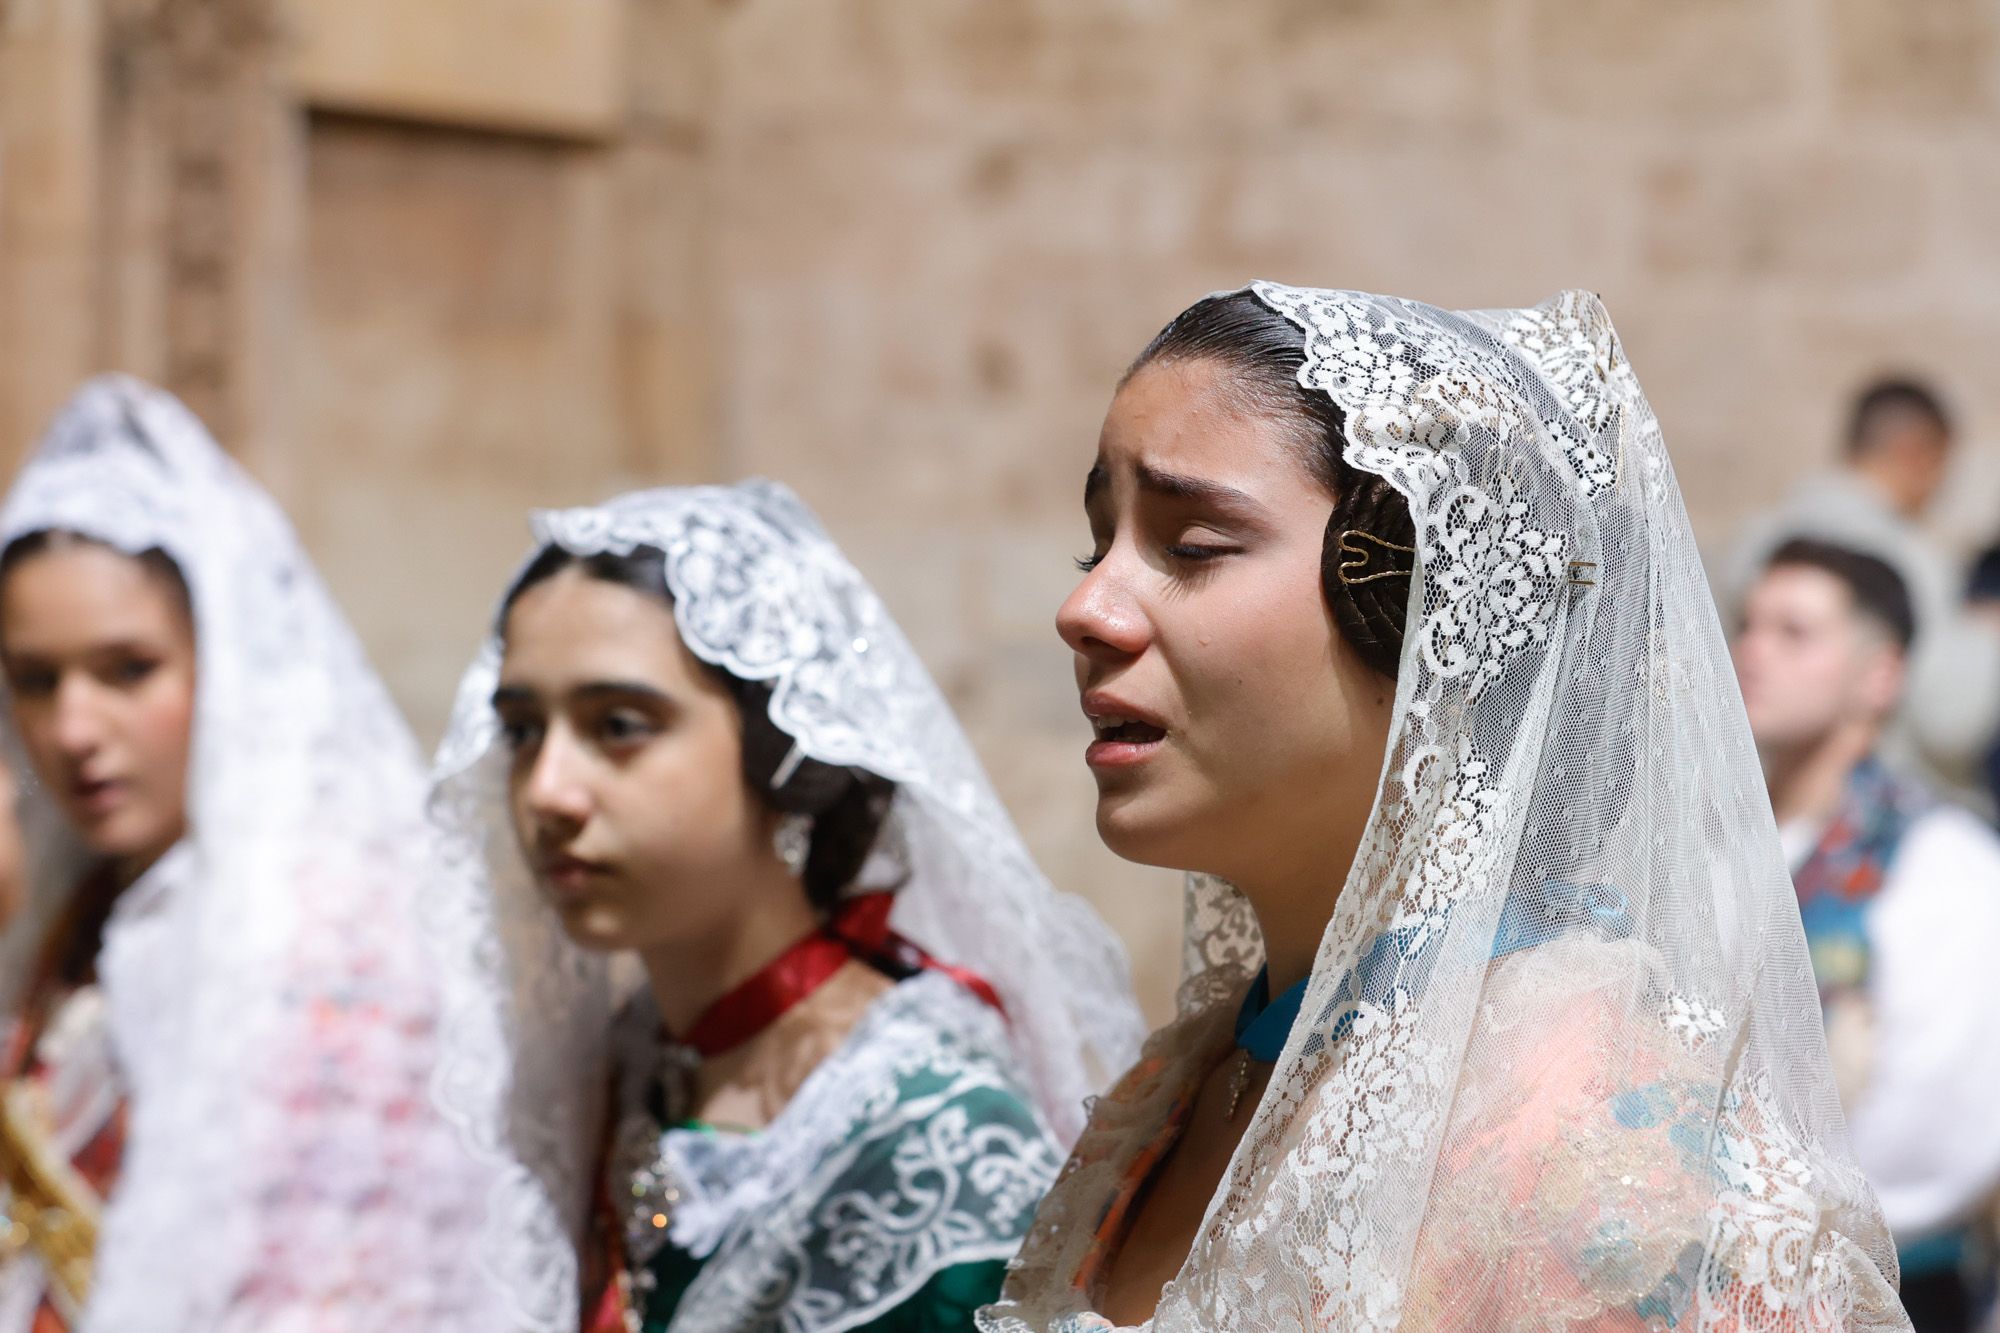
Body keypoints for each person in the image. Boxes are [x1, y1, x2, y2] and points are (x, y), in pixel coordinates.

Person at [981, 284, 1909, 1330]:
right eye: (1092, 548)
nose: (1084, 610)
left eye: (1190, 544)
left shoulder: (1606, 1160)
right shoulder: (1165, 1100)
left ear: (1420, 602)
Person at [424, 481, 1145, 1331]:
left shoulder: (934, 1144)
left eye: (618, 724)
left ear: (785, 748)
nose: (548, 791)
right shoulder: (627, 1056)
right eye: (521, 731)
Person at [0, 376, 493, 1330]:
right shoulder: (73, 919)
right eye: (35, 680)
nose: (73, 727)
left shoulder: (345, 945)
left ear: (226, 661)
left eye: (127, 670)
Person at [1735, 537, 2000, 1331]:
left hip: (1884, 1292)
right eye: (1747, 624)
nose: (1751, 651)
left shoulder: (1943, 864)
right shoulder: (1718, 846)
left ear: (1878, 675)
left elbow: (1940, 1131)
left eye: (1794, 632)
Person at [1725, 378, 2000, 797]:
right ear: (1917, 452)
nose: (1756, 653)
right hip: (1851, 807)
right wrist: (1983, 637)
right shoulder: (1908, 557)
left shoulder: (1748, 537)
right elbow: (1949, 719)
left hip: (1739, 791)